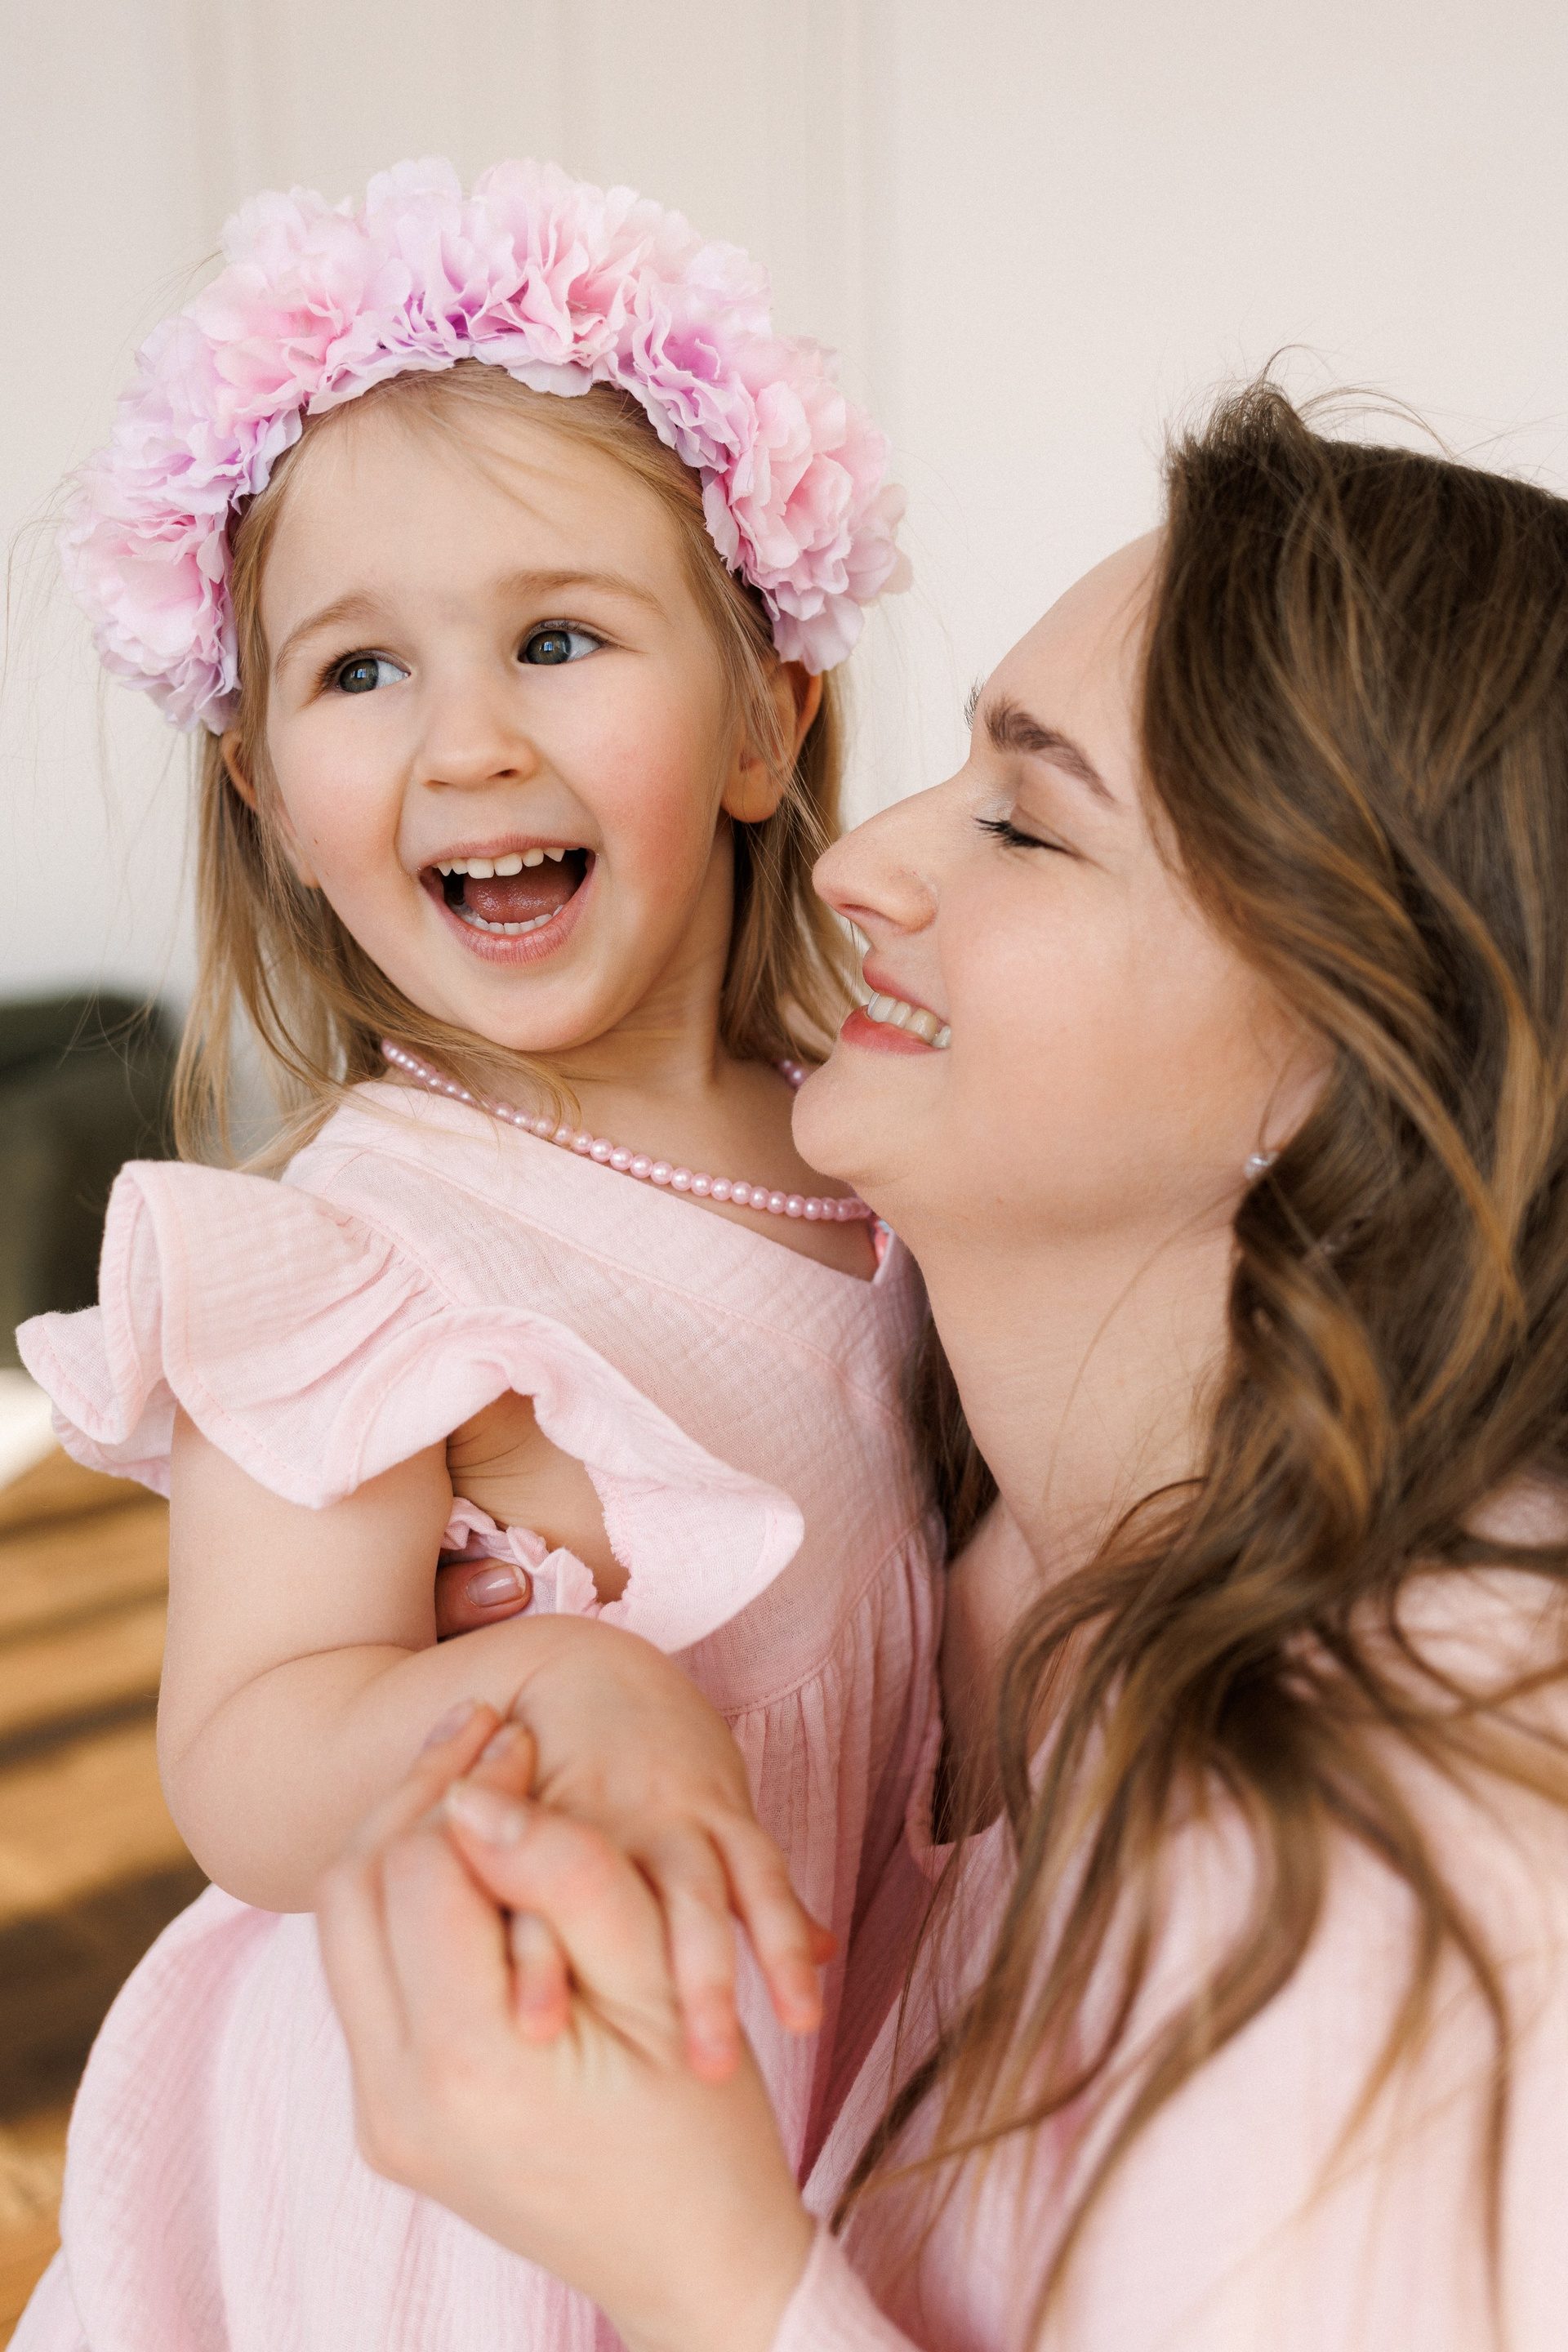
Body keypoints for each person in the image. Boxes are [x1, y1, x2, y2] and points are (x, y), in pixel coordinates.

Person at [316, 385, 1568, 2351]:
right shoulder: (908, 1497)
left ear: (1349, 1057)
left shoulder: (1441, 1849)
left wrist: (707, 2272)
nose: (856, 862)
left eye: (1026, 824)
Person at [11, 160, 941, 2352]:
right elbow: (246, 1760)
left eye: (556, 638)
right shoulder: (362, 1250)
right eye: (359, 670)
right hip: (475, 2182)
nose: (468, 741)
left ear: (767, 716)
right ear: (263, 788)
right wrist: (555, 1681)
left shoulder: (878, 1140)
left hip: (818, 2085)